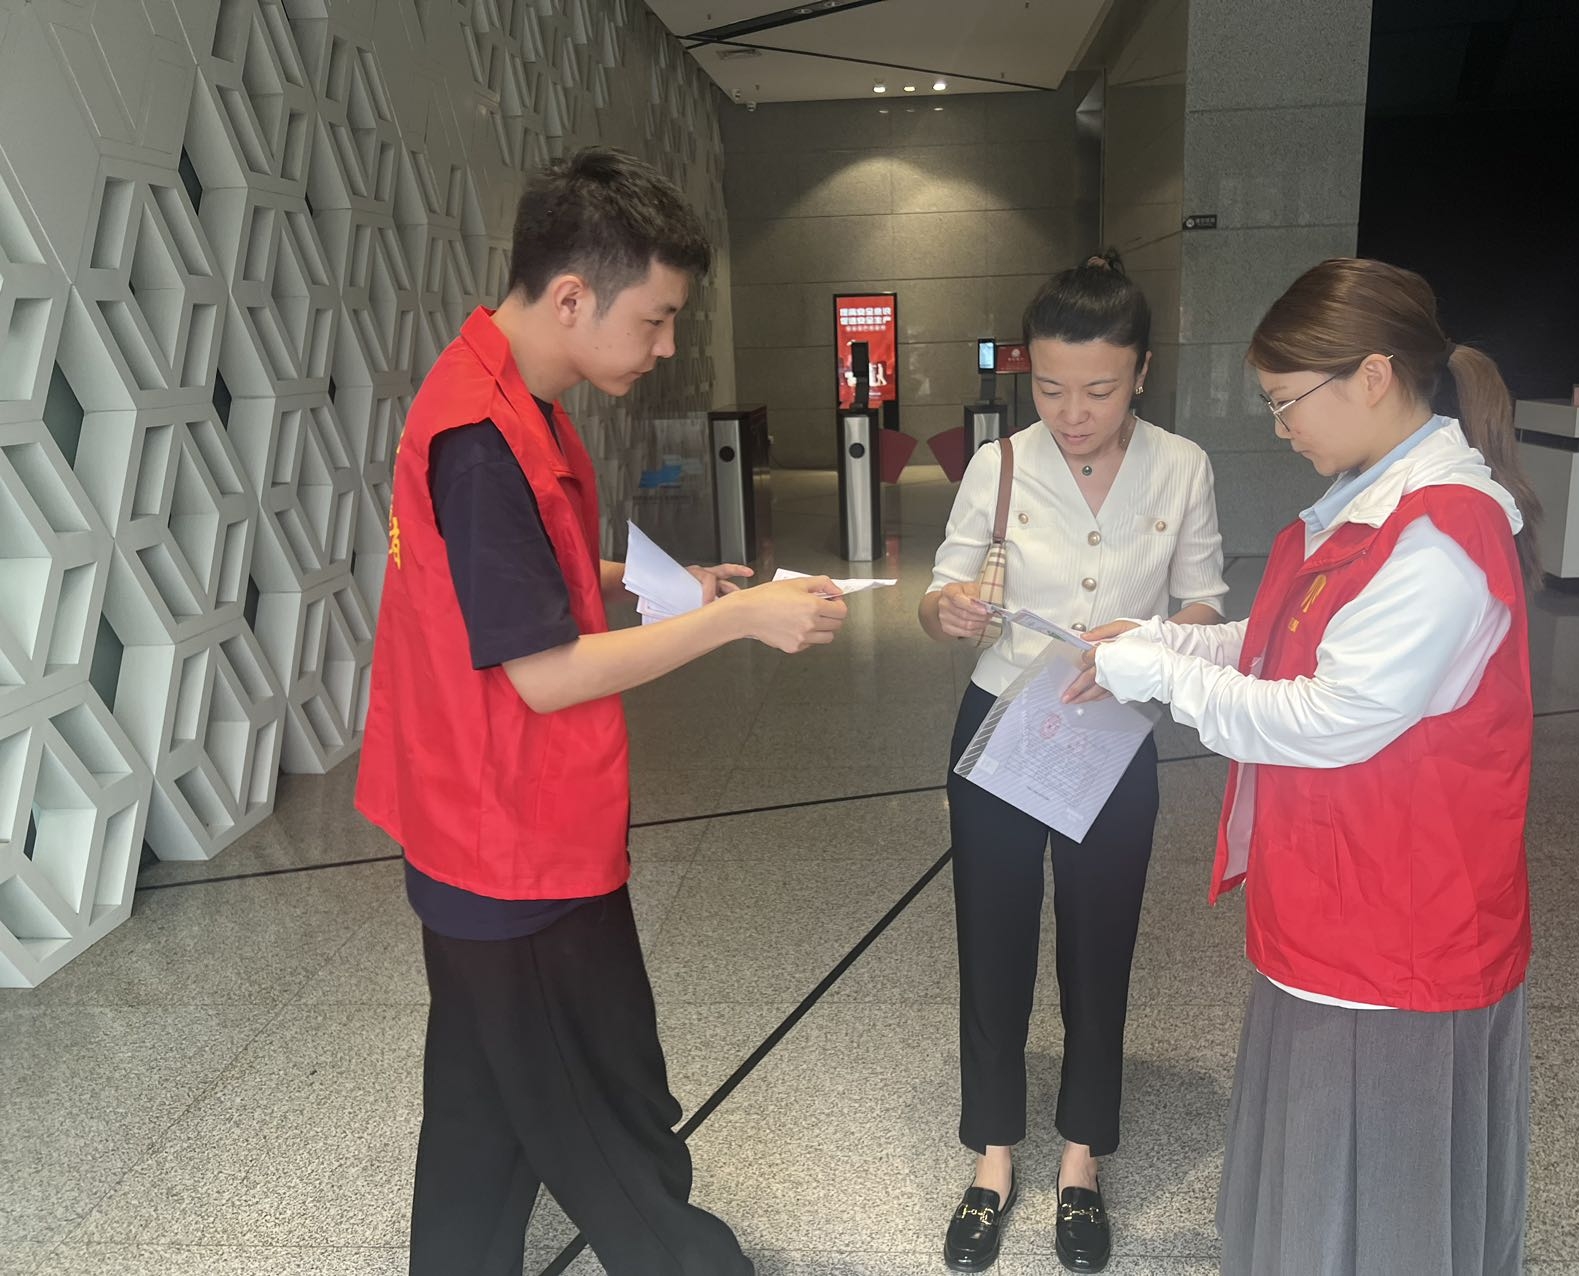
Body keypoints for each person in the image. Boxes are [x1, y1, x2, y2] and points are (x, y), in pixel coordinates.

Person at [355, 147, 848, 1276]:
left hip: (474, 832)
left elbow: (515, 573)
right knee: (613, 1121)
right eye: (657, 318)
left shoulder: (502, 394)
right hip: (511, 849)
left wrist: (649, 580)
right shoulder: (481, 440)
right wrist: (739, 621)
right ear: (574, 296)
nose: (667, 346)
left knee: (480, 1122)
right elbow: (542, 674)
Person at [1076, 257, 1540, 1276]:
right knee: (1323, 1161)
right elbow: (1280, 642)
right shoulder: (1362, 504)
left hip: (1402, 923)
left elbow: (1329, 717)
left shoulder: (1441, 534)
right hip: (1342, 893)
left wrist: (1156, 672)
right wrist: (1159, 639)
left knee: (1381, 1191)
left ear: (1371, 375)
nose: (1281, 427)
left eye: (1287, 401)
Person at [919, 249, 1228, 1273]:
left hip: (1112, 733)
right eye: (1049, 387)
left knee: (1101, 946)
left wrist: (1150, 637)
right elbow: (940, 590)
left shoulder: (1181, 465)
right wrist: (947, 610)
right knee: (991, 941)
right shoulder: (998, 464)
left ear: (1141, 371)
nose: (1072, 412)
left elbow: (1205, 601)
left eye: (1098, 388)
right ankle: (993, 1155)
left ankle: (1083, 1157)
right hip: (1003, 724)